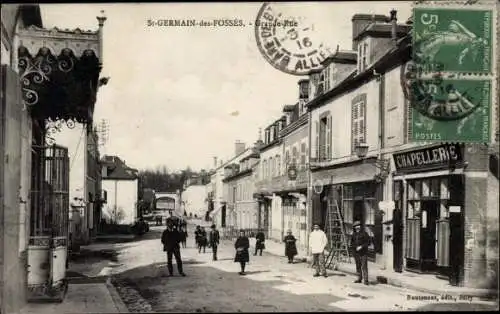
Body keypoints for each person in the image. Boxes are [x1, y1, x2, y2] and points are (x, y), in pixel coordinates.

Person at [350, 221, 371, 285]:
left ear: (360, 226)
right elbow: (352, 243)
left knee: (364, 266)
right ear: (354, 227)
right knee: (358, 266)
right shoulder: (353, 234)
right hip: (356, 253)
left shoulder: (364, 234)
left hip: (363, 253)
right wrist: (353, 249)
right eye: (356, 226)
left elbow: (368, 243)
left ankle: (366, 280)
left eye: (358, 226)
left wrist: (361, 246)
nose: (357, 227)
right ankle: (359, 278)